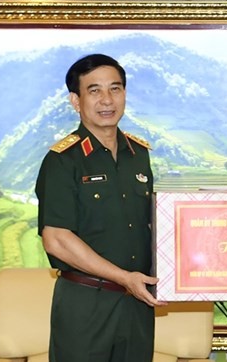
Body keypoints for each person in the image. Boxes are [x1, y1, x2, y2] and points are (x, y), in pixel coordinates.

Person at [35, 53, 165, 362]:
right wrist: (122, 277)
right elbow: (56, 240)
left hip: (136, 304)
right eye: (94, 90)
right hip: (85, 305)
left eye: (115, 89)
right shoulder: (62, 160)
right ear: (75, 100)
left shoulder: (139, 155)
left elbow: (151, 226)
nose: (107, 99)